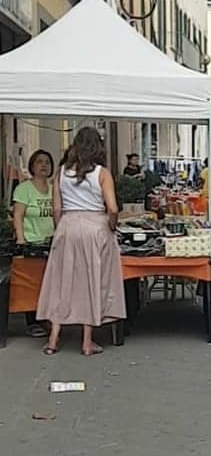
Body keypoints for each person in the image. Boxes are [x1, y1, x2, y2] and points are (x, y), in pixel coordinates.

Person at [37, 128, 127, 356]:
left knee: (61, 281)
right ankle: (87, 342)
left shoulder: (60, 173)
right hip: (95, 226)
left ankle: (53, 340)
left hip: (67, 225)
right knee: (92, 281)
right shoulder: (102, 173)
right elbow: (113, 208)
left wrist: (62, 229)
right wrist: (111, 225)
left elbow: (56, 208)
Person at [13, 150, 56, 337]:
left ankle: (46, 316)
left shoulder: (54, 188)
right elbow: (18, 215)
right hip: (31, 241)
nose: (43, 165)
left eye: (47, 162)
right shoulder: (24, 189)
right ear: (32, 166)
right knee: (31, 283)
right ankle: (32, 321)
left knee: (49, 281)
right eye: (39, 162)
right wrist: (21, 239)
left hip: (51, 242)